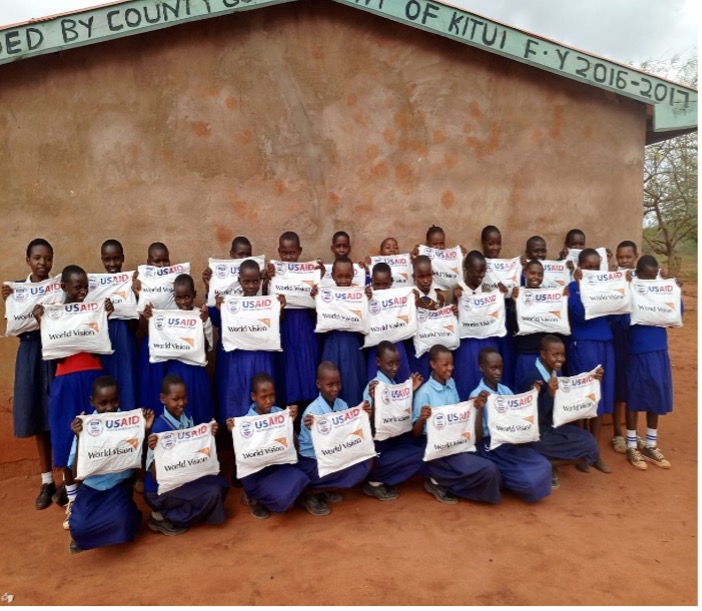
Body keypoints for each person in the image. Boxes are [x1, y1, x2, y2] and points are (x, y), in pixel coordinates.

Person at [33, 265, 113, 529]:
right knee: (68, 438)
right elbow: (54, 352)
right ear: (63, 287)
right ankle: (72, 499)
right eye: (77, 287)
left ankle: (103, 493)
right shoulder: (54, 315)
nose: (82, 292)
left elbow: (100, 344)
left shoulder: (93, 311)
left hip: (94, 380)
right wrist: (42, 322)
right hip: (66, 381)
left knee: (99, 435)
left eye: (85, 287)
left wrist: (106, 316)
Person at [1, 238, 58, 509]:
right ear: (28, 260)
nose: (42, 263)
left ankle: (68, 479)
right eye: (37, 258)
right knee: (36, 412)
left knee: (56, 413)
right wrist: (11, 297)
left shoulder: (56, 288)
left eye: (47, 258)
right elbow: (12, 324)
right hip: (30, 353)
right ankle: (47, 481)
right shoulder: (15, 291)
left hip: (54, 351)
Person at [66, 375, 150, 554]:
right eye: (103, 403)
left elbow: (138, 460)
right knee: (79, 530)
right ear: (93, 401)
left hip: (118, 486)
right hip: (91, 488)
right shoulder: (84, 426)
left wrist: (145, 430)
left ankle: (131, 515)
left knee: (124, 525)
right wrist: (79, 437)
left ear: (119, 398)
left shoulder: (126, 422)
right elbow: (75, 474)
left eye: (114, 401)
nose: (110, 407)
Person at [412, 345, 502, 505]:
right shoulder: (424, 393)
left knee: (491, 465)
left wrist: (470, 405)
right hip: (439, 449)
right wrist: (421, 419)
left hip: (456, 441)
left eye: (451, 364)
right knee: (488, 469)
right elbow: (415, 434)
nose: (450, 368)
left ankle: (443, 479)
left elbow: (455, 412)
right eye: (445, 365)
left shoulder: (451, 383)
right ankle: (438, 479)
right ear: (433, 364)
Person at [145, 374, 229, 535]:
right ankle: (164, 516)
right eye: (175, 399)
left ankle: (183, 510)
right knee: (212, 492)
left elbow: (192, 448)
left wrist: (208, 435)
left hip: (182, 477)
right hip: (159, 489)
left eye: (184, 398)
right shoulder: (158, 429)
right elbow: (156, 476)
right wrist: (156, 451)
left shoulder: (186, 417)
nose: (181, 403)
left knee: (221, 484)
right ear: (163, 398)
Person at [516, 335, 601, 488]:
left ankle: (546, 461)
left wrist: (593, 381)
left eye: (562, 355)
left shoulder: (554, 374)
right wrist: (548, 394)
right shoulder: (533, 378)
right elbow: (531, 421)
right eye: (555, 355)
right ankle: (545, 465)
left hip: (551, 430)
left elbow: (571, 399)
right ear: (543, 354)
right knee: (584, 446)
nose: (560, 359)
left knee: (589, 443)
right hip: (535, 436)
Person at [469, 347, 552, 500]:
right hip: (489, 447)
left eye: (500, 368)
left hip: (508, 444)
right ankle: (504, 479)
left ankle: (506, 477)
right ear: (482, 368)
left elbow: (519, 418)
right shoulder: (476, 395)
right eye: (493, 368)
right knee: (528, 482)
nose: (498, 372)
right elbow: (477, 438)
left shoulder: (506, 391)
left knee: (544, 464)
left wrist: (534, 395)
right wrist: (480, 409)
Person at [226, 373, 310, 519]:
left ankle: (272, 495)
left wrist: (290, 424)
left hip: (277, 467)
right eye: (263, 397)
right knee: (287, 505)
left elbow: (294, 448)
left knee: (301, 479)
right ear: (253, 396)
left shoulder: (280, 414)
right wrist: (234, 432)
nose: (269, 401)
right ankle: (252, 497)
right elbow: (243, 457)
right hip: (257, 473)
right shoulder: (245, 422)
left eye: (272, 395)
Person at [624, 255, 680, 471]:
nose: (648, 279)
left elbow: (676, 316)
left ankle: (650, 444)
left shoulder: (662, 290)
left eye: (652, 276)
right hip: (637, 350)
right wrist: (629, 288)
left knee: (656, 394)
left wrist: (672, 290)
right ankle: (631, 445)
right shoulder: (631, 289)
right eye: (644, 276)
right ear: (637, 274)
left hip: (658, 349)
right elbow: (621, 319)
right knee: (635, 395)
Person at [297, 362, 372, 516]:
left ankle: (324, 489)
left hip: (334, 454)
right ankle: (309, 493)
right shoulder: (312, 413)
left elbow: (349, 434)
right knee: (344, 468)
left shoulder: (342, 404)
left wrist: (364, 417)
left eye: (338, 383)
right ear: (318, 384)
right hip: (312, 460)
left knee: (366, 463)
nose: (335, 388)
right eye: (329, 384)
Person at [567, 248, 615, 474]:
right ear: (580, 267)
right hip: (583, 345)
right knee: (582, 398)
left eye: (597, 268)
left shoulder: (605, 287)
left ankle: (594, 451)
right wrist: (579, 287)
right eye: (588, 267)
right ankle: (580, 452)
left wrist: (618, 286)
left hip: (604, 344)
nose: (593, 272)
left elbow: (617, 310)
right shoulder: (572, 289)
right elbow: (577, 314)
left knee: (599, 398)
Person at [143, 274, 214, 424]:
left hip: (196, 370)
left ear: (194, 295)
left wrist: (206, 322)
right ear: (174, 297)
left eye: (187, 297)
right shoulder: (167, 316)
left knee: (199, 410)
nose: (183, 302)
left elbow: (208, 347)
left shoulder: (199, 315)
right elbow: (160, 341)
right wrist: (152, 319)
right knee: (176, 410)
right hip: (175, 371)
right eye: (179, 298)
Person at [218, 259, 283, 420]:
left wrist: (279, 308)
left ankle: (268, 428)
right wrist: (222, 310)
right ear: (240, 281)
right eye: (247, 282)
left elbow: (277, 323)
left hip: (263, 355)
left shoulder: (268, 302)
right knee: (242, 393)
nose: (252, 286)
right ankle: (242, 433)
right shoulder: (231, 305)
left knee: (265, 394)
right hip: (241, 357)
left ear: (261, 280)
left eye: (255, 281)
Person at [362, 341, 425, 500]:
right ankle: (375, 481)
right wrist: (375, 400)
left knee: (423, 447)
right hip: (379, 448)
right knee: (420, 454)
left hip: (394, 441)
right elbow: (370, 429)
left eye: (397, 363)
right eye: (390, 363)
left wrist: (411, 390)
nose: (395, 368)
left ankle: (387, 473)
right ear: (378, 362)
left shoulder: (394, 384)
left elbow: (400, 415)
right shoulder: (373, 387)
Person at [267, 231, 320, 410]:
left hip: (305, 327)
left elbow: (318, 311)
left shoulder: (309, 274)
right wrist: (267, 279)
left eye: (292, 253)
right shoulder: (273, 275)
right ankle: (288, 421)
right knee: (287, 374)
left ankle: (308, 416)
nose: (288, 257)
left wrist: (317, 288)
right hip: (284, 328)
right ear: (279, 252)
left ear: (299, 251)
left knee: (308, 371)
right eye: (284, 253)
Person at [204, 236, 255, 420]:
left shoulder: (257, 280)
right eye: (240, 254)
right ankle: (231, 431)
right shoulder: (219, 281)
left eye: (248, 255)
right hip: (229, 348)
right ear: (231, 255)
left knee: (251, 389)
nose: (243, 258)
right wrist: (209, 287)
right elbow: (216, 321)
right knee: (230, 390)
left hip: (251, 348)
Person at [452, 251, 506, 401]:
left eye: (484, 271)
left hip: (488, 341)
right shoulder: (457, 290)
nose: (482, 275)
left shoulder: (489, 292)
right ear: (467, 269)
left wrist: (502, 298)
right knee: (468, 380)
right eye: (478, 271)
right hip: (467, 345)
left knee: (491, 380)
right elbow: (450, 322)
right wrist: (456, 302)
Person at [312, 257, 366, 406]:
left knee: (353, 387)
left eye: (347, 276)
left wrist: (367, 300)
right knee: (330, 385)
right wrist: (316, 300)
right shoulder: (326, 295)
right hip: (332, 345)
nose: (343, 281)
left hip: (353, 347)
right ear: (333, 276)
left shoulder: (359, 295)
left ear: (353, 275)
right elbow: (318, 322)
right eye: (340, 276)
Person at [509, 259, 569, 385]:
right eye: (532, 273)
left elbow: (560, 322)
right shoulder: (518, 295)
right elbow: (513, 328)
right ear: (525, 273)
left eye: (540, 274)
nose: (536, 277)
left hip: (551, 357)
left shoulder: (552, 296)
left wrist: (563, 301)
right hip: (527, 354)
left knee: (553, 395)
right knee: (528, 394)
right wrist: (514, 304)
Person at [98, 239, 138, 411]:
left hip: (125, 340)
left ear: (123, 258)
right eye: (107, 259)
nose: (112, 263)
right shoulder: (95, 286)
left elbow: (136, 325)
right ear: (102, 260)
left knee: (127, 383)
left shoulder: (130, 284)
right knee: (105, 386)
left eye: (116, 258)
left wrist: (136, 294)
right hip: (104, 340)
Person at [135, 242, 171, 412]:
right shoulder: (141, 286)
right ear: (148, 262)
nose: (162, 266)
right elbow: (141, 329)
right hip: (152, 347)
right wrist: (138, 295)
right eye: (157, 261)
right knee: (153, 396)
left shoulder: (175, 281)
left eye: (166, 261)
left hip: (174, 347)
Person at [610, 240, 639, 454]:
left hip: (636, 338)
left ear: (636, 257)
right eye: (620, 257)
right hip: (617, 336)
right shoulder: (612, 277)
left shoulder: (647, 278)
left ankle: (631, 430)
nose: (624, 261)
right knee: (619, 384)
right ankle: (618, 432)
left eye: (628, 257)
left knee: (633, 383)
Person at [364, 262, 411, 383]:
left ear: (391, 281)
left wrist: (413, 299)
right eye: (377, 284)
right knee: (376, 387)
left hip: (397, 346)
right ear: (372, 282)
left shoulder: (400, 297)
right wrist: (364, 301)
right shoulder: (367, 297)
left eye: (385, 284)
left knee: (402, 384)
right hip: (376, 348)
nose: (381, 288)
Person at [407, 255, 446, 380]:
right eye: (421, 276)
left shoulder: (439, 298)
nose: (426, 280)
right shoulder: (408, 297)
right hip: (417, 351)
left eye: (428, 276)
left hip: (435, 348)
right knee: (420, 380)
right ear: (414, 277)